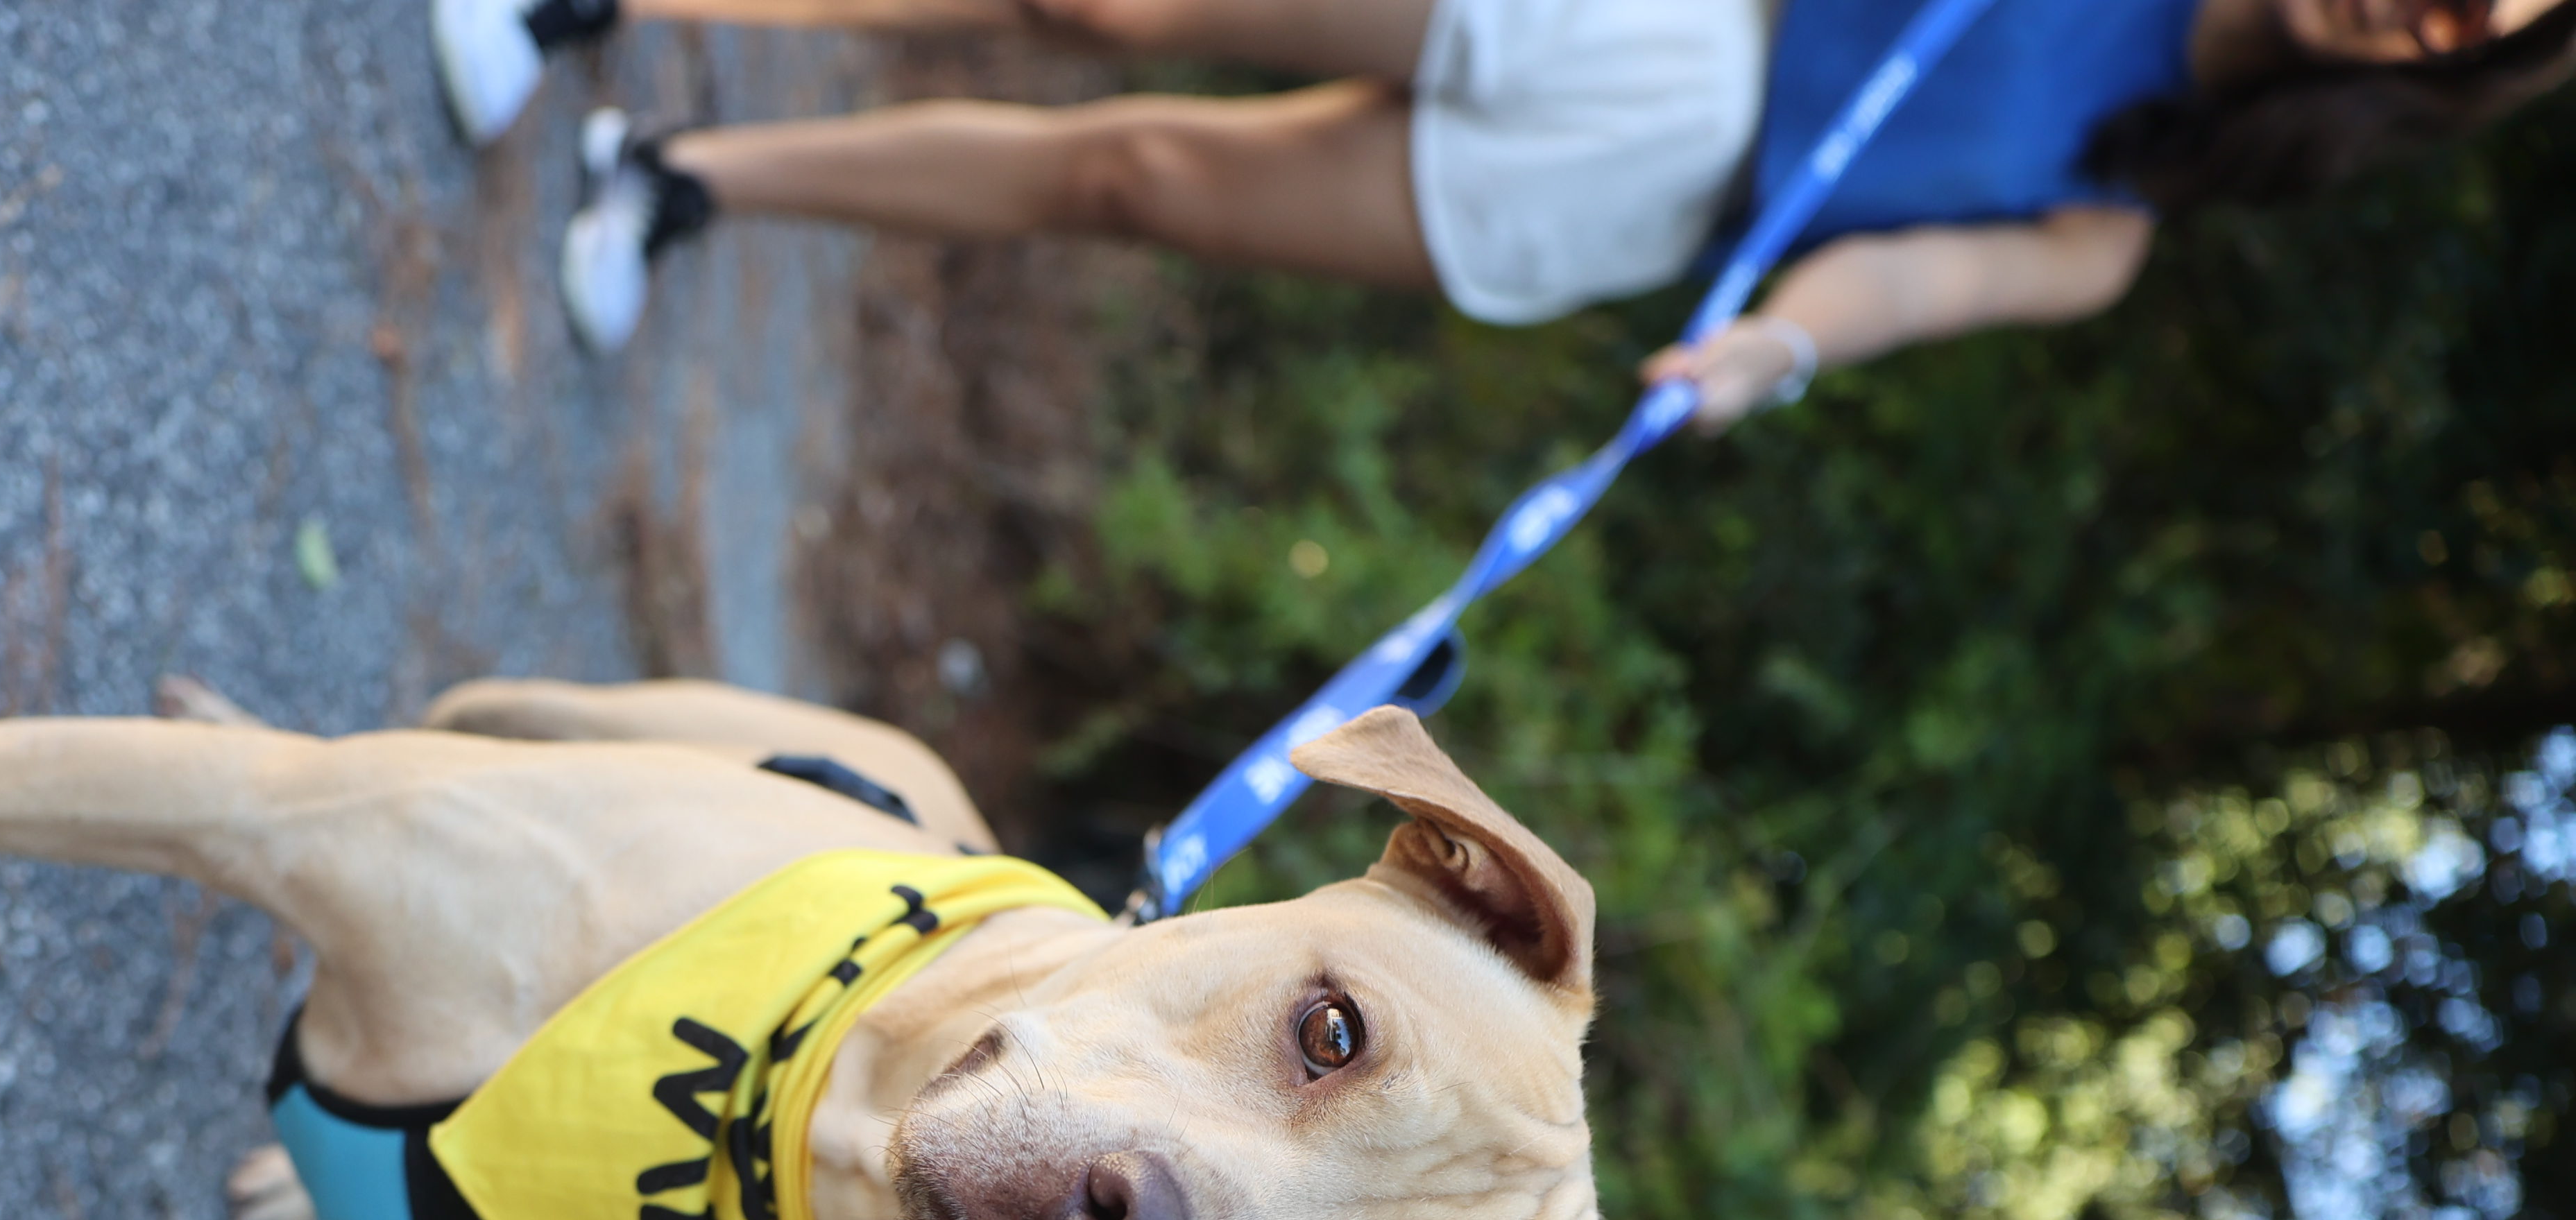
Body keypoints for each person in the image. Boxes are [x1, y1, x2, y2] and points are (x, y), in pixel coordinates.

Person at [433, 0, 2573, 422]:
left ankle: (680, 178)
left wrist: (1764, 354)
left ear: (2437, 79)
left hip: (1640, 189)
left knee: (1134, 180)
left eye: (2463, 18)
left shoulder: (2121, 217)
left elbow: (1906, 281)